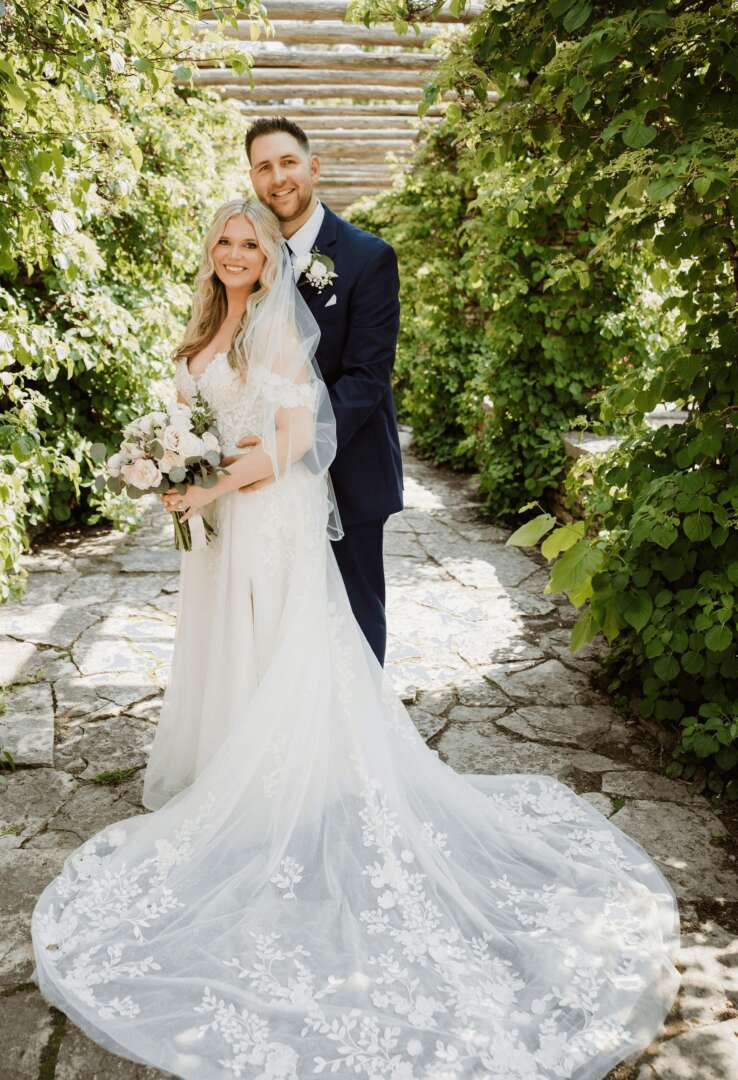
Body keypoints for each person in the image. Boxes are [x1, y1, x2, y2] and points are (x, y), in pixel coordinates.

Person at [31, 198, 680, 1080]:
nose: (235, 253)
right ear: (210, 252)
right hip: (221, 528)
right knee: (229, 644)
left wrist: (206, 486)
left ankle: (293, 788)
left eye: (249, 243)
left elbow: (296, 439)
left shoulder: (275, 330)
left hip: (269, 514)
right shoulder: (200, 332)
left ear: (270, 258)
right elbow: (199, 426)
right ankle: (231, 772)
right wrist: (171, 468)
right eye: (223, 241)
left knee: (284, 647)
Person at [228, 116, 403, 666]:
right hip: (263, 474)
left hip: (347, 468)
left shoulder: (368, 257)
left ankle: (363, 718)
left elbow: (368, 376)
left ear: (314, 168)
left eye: (288, 162)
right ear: (253, 178)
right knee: (272, 617)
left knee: (352, 614)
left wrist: (295, 445)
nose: (277, 178)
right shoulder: (246, 252)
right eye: (264, 167)